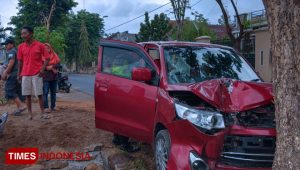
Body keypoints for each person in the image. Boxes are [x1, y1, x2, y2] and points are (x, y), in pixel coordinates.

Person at [17, 26, 50, 120]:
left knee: (39, 94)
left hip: (37, 73)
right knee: (27, 95)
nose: (22, 35)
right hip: (25, 74)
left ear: (31, 34)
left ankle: (43, 113)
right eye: (22, 33)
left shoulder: (40, 45)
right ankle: (30, 114)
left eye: (25, 33)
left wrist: (42, 69)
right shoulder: (20, 47)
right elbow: (20, 62)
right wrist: (19, 74)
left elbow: (47, 58)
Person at [1, 39, 26, 115]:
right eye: (5, 44)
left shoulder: (11, 52)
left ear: (12, 44)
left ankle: (21, 106)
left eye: (7, 44)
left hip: (13, 74)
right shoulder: (15, 51)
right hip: (18, 74)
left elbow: (11, 63)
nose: (5, 46)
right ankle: (20, 108)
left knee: (9, 90)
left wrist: (5, 72)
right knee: (17, 91)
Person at [43, 43, 60, 113]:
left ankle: (53, 106)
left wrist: (52, 67)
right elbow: (40, 65)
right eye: (45, 48)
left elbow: (58, 64)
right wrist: (47, 67)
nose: (47, 49)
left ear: (50, 48)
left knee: (53, 92)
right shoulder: (41, 56)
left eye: (48, 48)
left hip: (54, 77)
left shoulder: (54, 55)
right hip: (45, 78)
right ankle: (46, 107)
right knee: (45, 92)